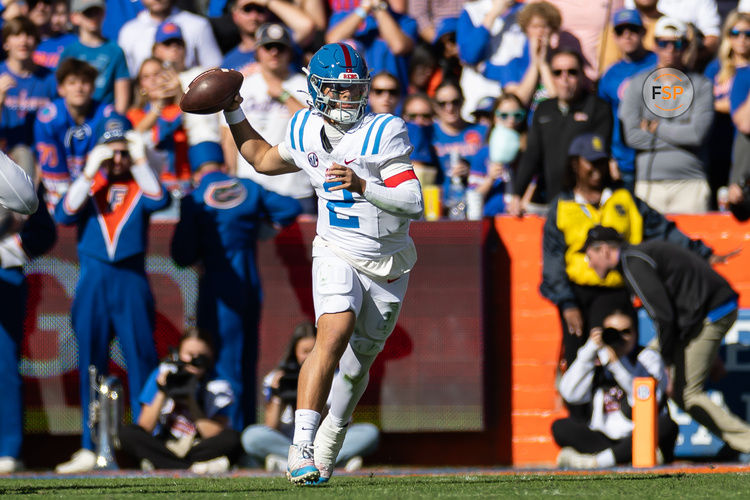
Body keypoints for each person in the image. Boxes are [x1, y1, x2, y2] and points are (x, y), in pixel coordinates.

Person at [217, 42, 423, 484]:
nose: (346, 99)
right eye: (336, 90)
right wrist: (233, 112)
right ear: (315, 89)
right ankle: (300, 446)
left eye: (353, 91)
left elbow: (413, 200)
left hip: (386, 260)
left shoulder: (384, 129)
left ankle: (331, 436)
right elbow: (260, 158)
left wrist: (363, 184)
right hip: (334, 247)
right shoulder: (305, 126)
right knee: (333, 330)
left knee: (356, 368)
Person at [542, 133, 717, 378]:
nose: (597, 169)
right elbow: (552, 260)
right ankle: (581, 416)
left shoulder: (624, 199)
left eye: (602, 162)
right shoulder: (561, 207)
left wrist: (701, 253)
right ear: (575, 164)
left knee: (617, 360)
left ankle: (621, 413)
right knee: (578, 363)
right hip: (578, 294)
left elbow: (662, 230)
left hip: (617, 293)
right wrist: (567, 302)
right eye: (590, 162)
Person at [53, 116, 170, 473]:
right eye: (112, 152)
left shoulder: (140, 183)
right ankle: (91, 446)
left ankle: (146, 444)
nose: (116, 160)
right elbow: (64, 212)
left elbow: (159, 198)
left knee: (142, 362)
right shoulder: (91, 187)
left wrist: (138, 160)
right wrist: (90, 169)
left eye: (122, 152)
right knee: (91, 363)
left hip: (131, 282)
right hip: (93, 283)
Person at [583, 225, 750, 457]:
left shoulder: (633, 263)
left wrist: (668, 365)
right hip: (703, 315)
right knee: (648, 362)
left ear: (603, 250)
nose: (589, 264)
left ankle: (745, 441)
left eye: (589, 256)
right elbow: (676, 307)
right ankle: (651, 442)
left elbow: (664, 316)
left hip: (711, 312)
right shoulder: (637, 257)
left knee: (685, 392)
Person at [170, 146, 302, 431]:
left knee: (221, 363)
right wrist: (263, 227)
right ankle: (246, 430)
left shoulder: (195, 197)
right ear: (224, 164)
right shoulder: (248, 187)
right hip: (249, 283)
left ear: (195, 172)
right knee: (246, 359)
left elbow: (181, 255)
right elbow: (291, 207)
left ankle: (230, 435)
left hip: (217, 289)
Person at [241, 321, 380, 472]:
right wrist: (278, 395)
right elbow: (271, 426)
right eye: (304, 351)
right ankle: (326, 461)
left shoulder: (336, 378)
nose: (309, 356)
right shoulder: (276, 378)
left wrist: (317, 400)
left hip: (324, 442)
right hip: (289, 441)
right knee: (251, 436)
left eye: (313, 350)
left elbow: (341, 423)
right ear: (294, 352)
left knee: (369, 433)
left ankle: (289, 462)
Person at [553, 310, 678, 469]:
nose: (620, 337)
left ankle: (596, 462)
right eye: (613, 332)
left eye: (626, 332)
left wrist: (618, 363)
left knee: (666, 425)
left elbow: (644, 399)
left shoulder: (647, 358)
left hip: (639, 433)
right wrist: (589, 350)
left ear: (635, 333)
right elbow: (570, 394)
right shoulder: (597, 358)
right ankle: (624, 457)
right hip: (604, 436)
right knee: (560, 427)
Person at [619, 16, 714, 214]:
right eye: (663, 43)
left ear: (686, 46)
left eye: (676, 43)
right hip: (649, 183)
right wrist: (681, 137)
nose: (670, 49)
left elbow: (697, 135)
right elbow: (632, 136)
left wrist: (656, 128)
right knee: (650, 245)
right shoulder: (637, 83)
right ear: (654, 45)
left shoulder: (701, 85)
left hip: (691, 182)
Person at [118, 327, 243, 472]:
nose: (194, 361)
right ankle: (189, 467)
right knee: (128, 433)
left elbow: (216, 433)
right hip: (165, 444)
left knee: (234, 439)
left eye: (201, 356)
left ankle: (165, 463)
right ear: (178, 354)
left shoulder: (218, 386)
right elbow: (145, 426)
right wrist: (162, 392)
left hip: (197, 445)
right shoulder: (164, 374)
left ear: (210, 357)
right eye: (189, 355)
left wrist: (191, 403)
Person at [220, 22, 314, 212]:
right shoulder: (243, 85)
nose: (274, 53)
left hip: (295, 188)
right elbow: (228, 136)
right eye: (268, 47)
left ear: (289, 52)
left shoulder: (305, 86)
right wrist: (231, 175)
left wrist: (284, 96)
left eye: (280, 47)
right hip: (251, 186)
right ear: (257, 52)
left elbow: (314, 128)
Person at [509, 49, 613, 214]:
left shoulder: (598, 108)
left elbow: (599, 156)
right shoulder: (544, 109)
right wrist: (517, 194)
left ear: (581, 74)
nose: (565, 78)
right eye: (558, 73)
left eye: (572, 72)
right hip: (551, 200)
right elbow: (532, 155)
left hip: (587, 203)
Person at [0, 172, 56, 474]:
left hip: (4, 273)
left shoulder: (19, 163)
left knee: (3, 364)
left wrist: (3, 252)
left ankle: (8, 448)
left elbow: (42, 231)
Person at [34, 58, 117, 208]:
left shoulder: (107, 115)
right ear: (61, 89)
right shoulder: (49, 117)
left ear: (92, 87)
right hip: (61, 188)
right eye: (72, 83)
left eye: (84, 82)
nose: (79, 88)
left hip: (99, 187)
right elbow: (53, 174)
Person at [598, 9, 657, 192]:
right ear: (614, 37)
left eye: (633, 29)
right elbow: (603, 120)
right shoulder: (610, 74)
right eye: (620, 31)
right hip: (623, 160)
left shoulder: (659, 63)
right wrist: (607, 157)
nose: (627, 36)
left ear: (643, 32)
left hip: (654, 154)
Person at [705, 10, 750, 208]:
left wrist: (723, 106)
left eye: (748, 34)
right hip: (715, 143)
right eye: (736, 33)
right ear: (727, 36)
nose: (742, 39)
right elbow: (701, 102)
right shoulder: (715, 68)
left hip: (742, 149)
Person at [325, 0, 418, 92]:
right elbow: (332, 41)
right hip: (356, 97)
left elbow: (399, 46)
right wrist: (364, 9)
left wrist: (378, 7)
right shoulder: (344, 17)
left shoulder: (405, 21)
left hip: (391, 96)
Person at [0, 16, 57, 161]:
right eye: (17, 35)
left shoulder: (50, 79)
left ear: (37, 42)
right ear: (6, 43)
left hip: (42, 157)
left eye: (29, 35)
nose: (23, 41)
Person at [59, 0, 130, 114]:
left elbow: (122, 95)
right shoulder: (69, 51)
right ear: (75, 17)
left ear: (103, 14)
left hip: (104, 116)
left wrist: (116, 120)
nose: (93, 17)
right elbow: (61, 90)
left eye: (96, 12)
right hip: (74, 116)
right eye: (87, 13)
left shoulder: (115, 51)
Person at [117, 0, 222, 77]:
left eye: (178, 45)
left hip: (189, 101)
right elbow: (127, 79)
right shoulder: (128, 32)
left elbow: (215, 69)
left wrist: (182, 81)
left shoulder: (198, 25)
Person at [430, 79, 488, 209]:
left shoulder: (482, 131)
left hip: (476, 205)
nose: (449, 108)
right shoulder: (429, 133)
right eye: (442, 103)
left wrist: (471, 171)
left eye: (454, 102)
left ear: (463, 101)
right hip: (438, 206)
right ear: (435, 106)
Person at [469, 93, 526, 216]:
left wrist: (522, 203)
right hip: (490, 220)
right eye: (504, 115)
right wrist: (490, 179)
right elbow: (471, 199)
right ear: (494, 117)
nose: (511, 121)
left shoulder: (528, 153)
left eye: (517, 115)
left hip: (520, 222)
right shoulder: (483, 154)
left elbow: (534, 187)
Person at [221, 0, 315, 74]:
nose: (254, 16)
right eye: (247, 9)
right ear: (235, 15)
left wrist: (268, 2)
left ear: (268, 13)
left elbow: (306, 26)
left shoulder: (283, 40)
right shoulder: (228, 61)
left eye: (260, 9)